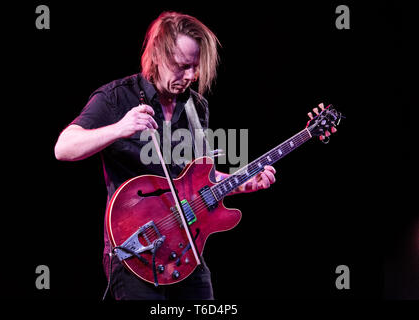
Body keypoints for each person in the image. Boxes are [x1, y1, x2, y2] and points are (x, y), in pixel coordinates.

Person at [54, 11, 276, 300]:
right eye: (182, 66)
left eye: (195, 68)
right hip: (137, 252)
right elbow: (64, 147)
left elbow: (196, 179)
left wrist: (243, 180)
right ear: (157, 55)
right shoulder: (117, 97)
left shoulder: (197, 107)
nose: (190, 77)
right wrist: (120, 128)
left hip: (185, 251)